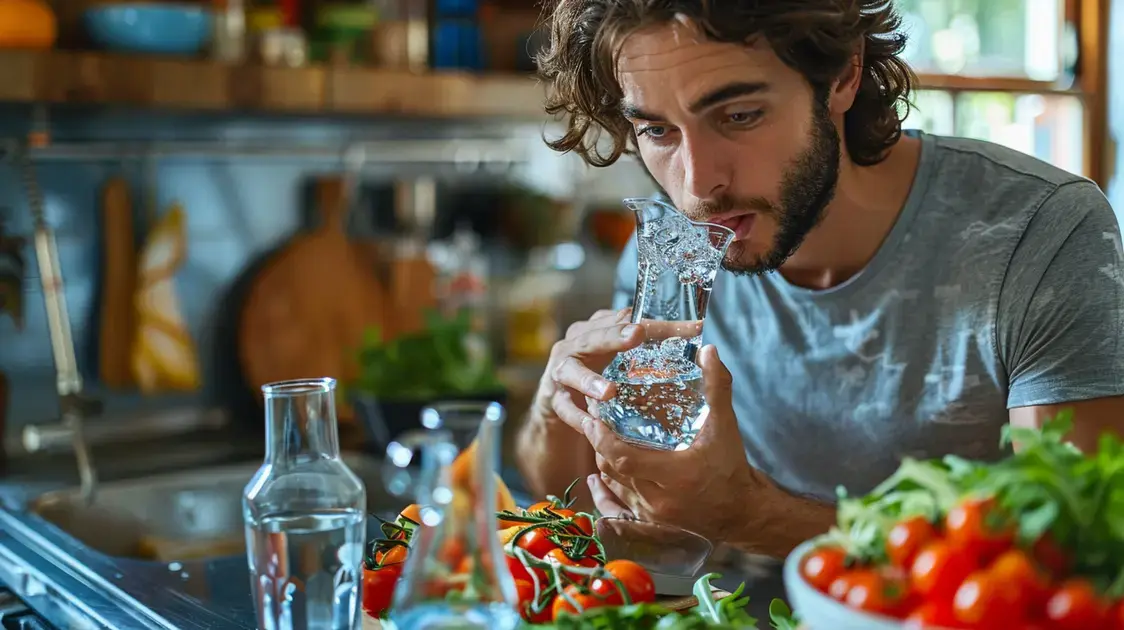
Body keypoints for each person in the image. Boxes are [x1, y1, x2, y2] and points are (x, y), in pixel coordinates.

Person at [514, 0, 1124, 560]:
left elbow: (1077, 550)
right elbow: (563, 495)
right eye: (656, 131)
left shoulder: (1037, 234)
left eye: (740, 114)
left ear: (843, 76)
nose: (697, 187)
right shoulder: (674, 251)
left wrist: (749, 516)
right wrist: (555, 402)